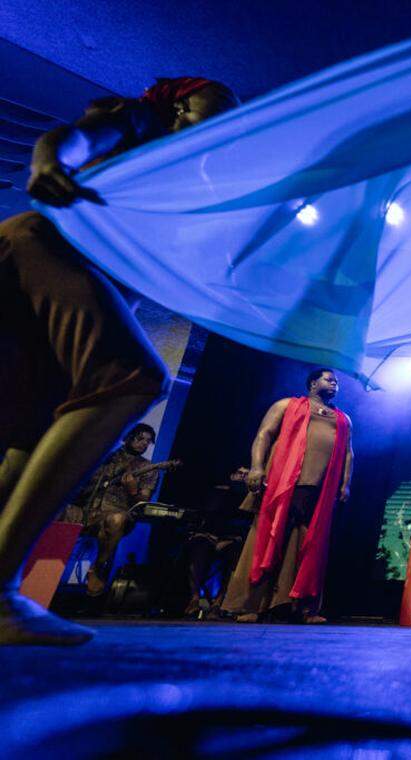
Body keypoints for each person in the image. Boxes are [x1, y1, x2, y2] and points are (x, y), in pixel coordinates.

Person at [0, 77, 238, 645]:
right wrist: (49, 161)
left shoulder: (184, 189)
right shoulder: (139, 123)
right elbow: (75, 138)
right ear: (181, 105)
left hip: (45, 277)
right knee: (136, 377)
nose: (232, 119)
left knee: (31, 433)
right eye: (220, 105)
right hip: (40, 250)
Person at [223, 369, 353, 624]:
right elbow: (264, 434)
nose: (335, 384)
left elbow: (349, 454)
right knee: (266, 541)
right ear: (313, 383)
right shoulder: (286, 405)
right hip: (283, 484)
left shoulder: (343, 418)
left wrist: (346, 484)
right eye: (329, 379)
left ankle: (300, 608)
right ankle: (250, 605)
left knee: (308, 548)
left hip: (318, 491)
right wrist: (257, 467)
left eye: (337, 382)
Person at [72, 423, 160, 596]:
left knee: (117, 519)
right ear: (127, 437)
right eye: (140, 438)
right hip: (85, 510)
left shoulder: (148, 469)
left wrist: (133, 490)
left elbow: (143, 503)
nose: (144, 443)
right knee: (56, 511)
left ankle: (97, 568)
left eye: (148, 441)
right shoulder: (106, 457)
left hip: (114, 514)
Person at [184, 466, 252, 618]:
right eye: (239, 474)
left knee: (235, 554)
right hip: (209, 534)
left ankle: (219, 601)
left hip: (234, 537)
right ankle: (194, 598)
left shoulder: (251, 497)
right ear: (232, 475)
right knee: (199, 547)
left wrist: (229, 538)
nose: (242, 477)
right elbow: (207, 515)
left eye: (246, 475)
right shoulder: (218, 492)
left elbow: (247, 523)